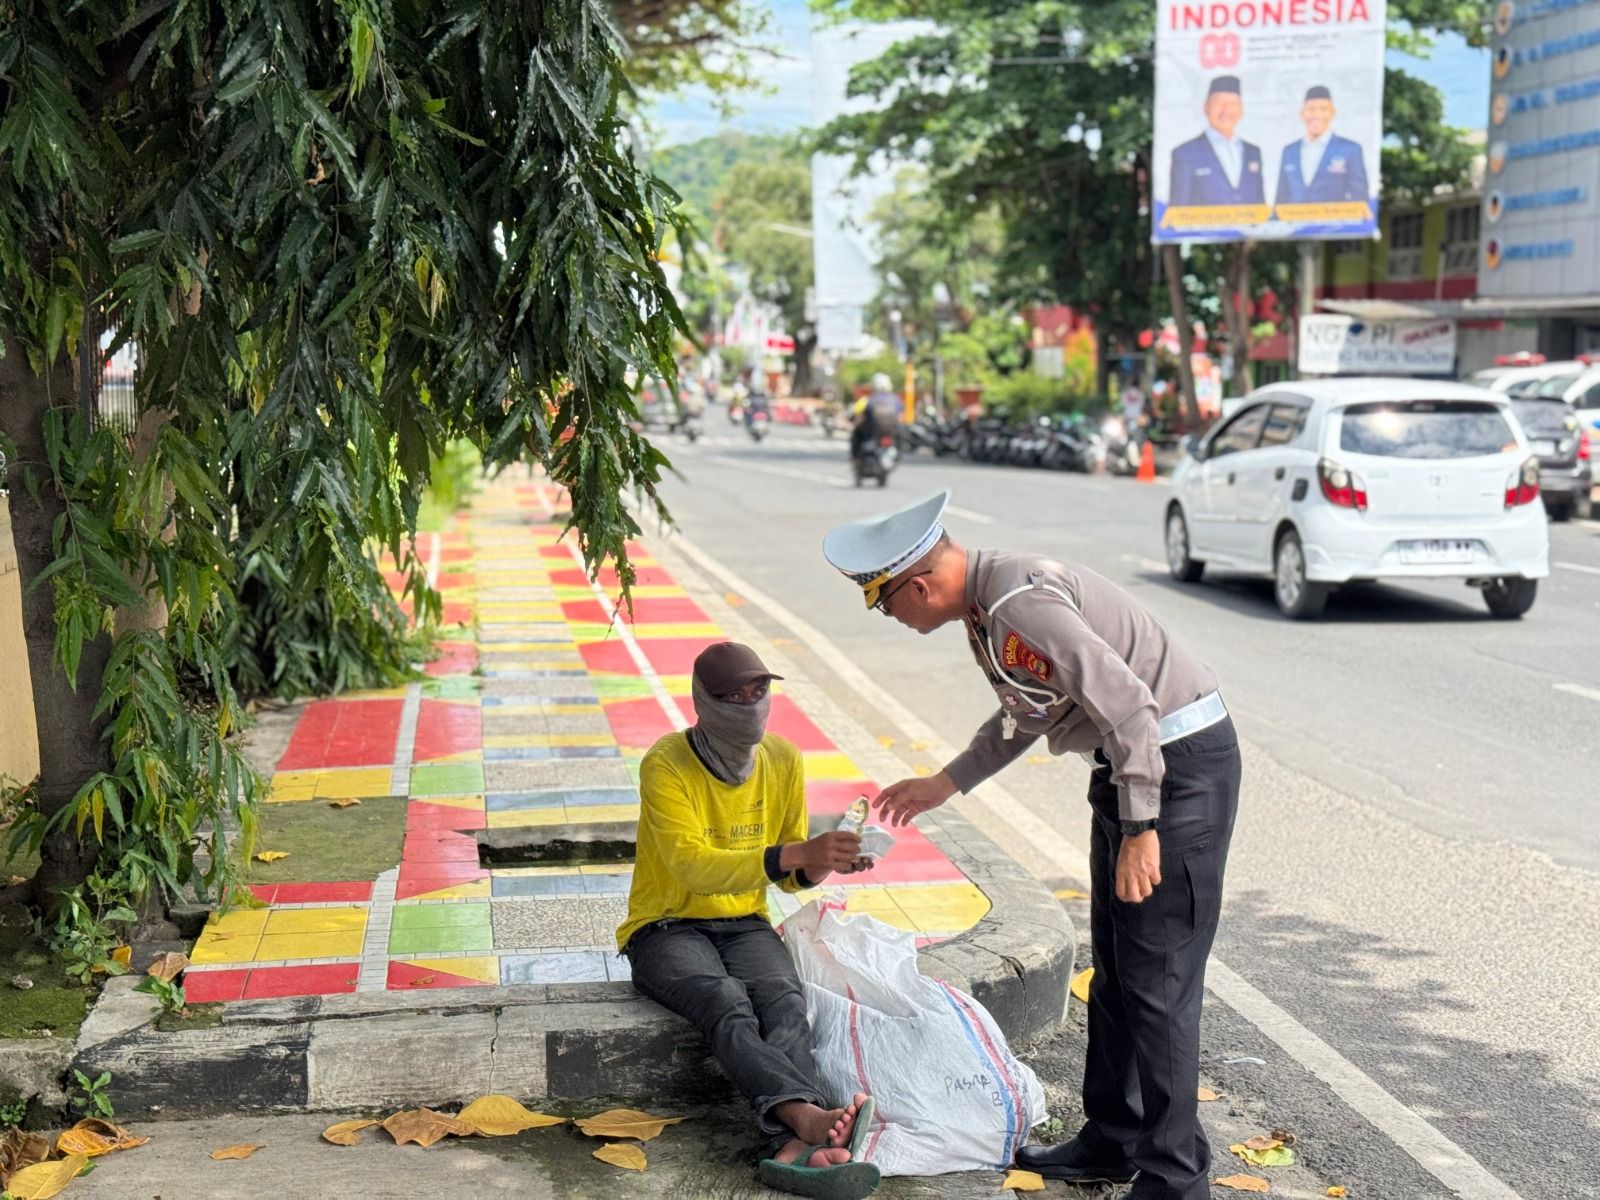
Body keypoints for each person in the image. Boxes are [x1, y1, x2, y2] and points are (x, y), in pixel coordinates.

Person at [821, 491, 1240, 1200]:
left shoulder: (1017, 600)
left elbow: (1133, 703)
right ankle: (1115, 1138)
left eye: (887, 604)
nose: (893, 617)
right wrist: (945, 783)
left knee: (1159, 988)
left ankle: (1176, 1178)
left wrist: (1142, 828)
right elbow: (1026, 709)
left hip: (1174, 773)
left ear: (918, 585)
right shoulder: (987, 607)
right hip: (1129, 770)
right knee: (1117, 974)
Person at [618, 642, 881, 1199]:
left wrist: (821, 863)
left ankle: (787, 1147)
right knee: (724, 999)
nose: (749, 703)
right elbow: (692, 868)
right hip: (665, 925)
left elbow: (788, 878)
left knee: (784, 998)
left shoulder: (783, 758)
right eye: (733, 696)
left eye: (758, 691)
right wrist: (794, 853)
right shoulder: (665, 763)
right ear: (702, 702)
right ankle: (806, 1117)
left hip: (744, 921)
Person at [1167, 75, 1264, 208]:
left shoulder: (1253, 152)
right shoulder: (1185, 153)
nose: (1226, 111)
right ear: (1206, 107)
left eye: (1232, 104)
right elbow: (1178, 211)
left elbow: (1259, 205)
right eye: (1219, 103)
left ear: (1241, 109)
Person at [1273, 86, 1370, 209]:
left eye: (1323, 109)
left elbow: (1359, 197)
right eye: (1311, 109)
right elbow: (1281, 198)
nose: (1316, 115)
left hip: (1334, 226)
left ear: (1332, 112)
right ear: (1302, 113)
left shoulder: (1350, 149)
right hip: (1294, 224)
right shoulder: (1289, 151)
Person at [850, 372, 903, 462]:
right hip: (892, 432)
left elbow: (858, 414)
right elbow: (901, 416)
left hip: (873, 433)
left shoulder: (869, 399)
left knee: (856, 434)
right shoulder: (895, 399)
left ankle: (855, 459)